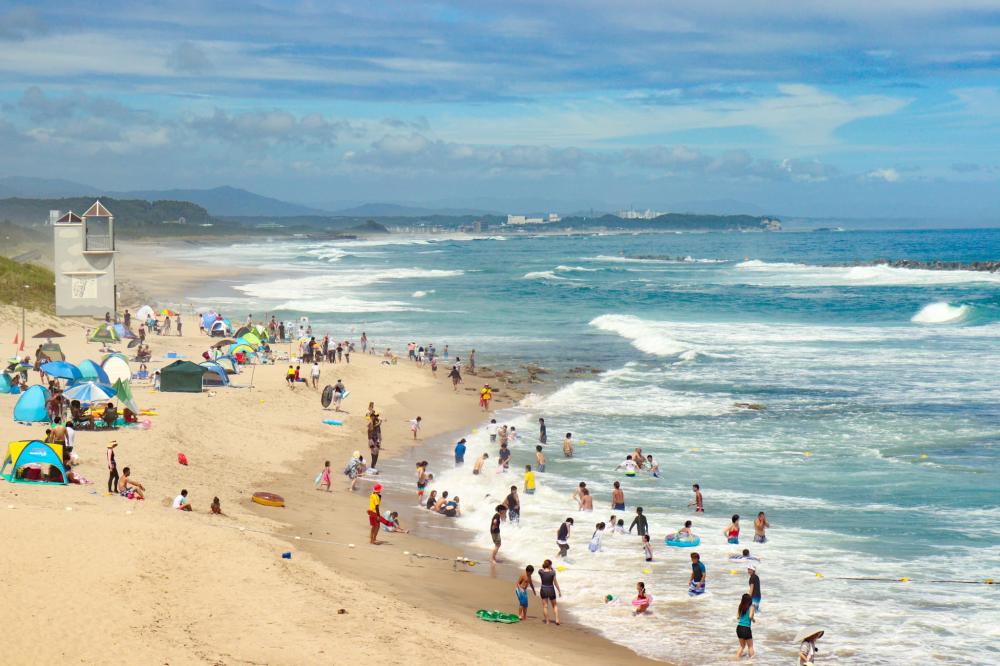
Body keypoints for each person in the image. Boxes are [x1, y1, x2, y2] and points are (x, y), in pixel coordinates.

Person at [538, 560, 561, 625]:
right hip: (551, 589)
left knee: (545, 606)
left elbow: (541, 569)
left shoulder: (540, 572)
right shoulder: (553, 572)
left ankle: (547, 621)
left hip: (543, 589)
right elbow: (555, 582)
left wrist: (547, 567)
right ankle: (557, 619)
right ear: (550, 565)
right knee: (555, 605)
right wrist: (559, 591)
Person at [736, 593, 756, 659]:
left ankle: (736, 658)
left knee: (742, 646)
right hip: (746, 628)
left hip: (739, 628)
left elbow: (738, 617)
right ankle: (752, 661)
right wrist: (753, 620)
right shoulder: (752, 607)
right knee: (750, 646)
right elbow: (750, 616)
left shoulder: (740, 606)